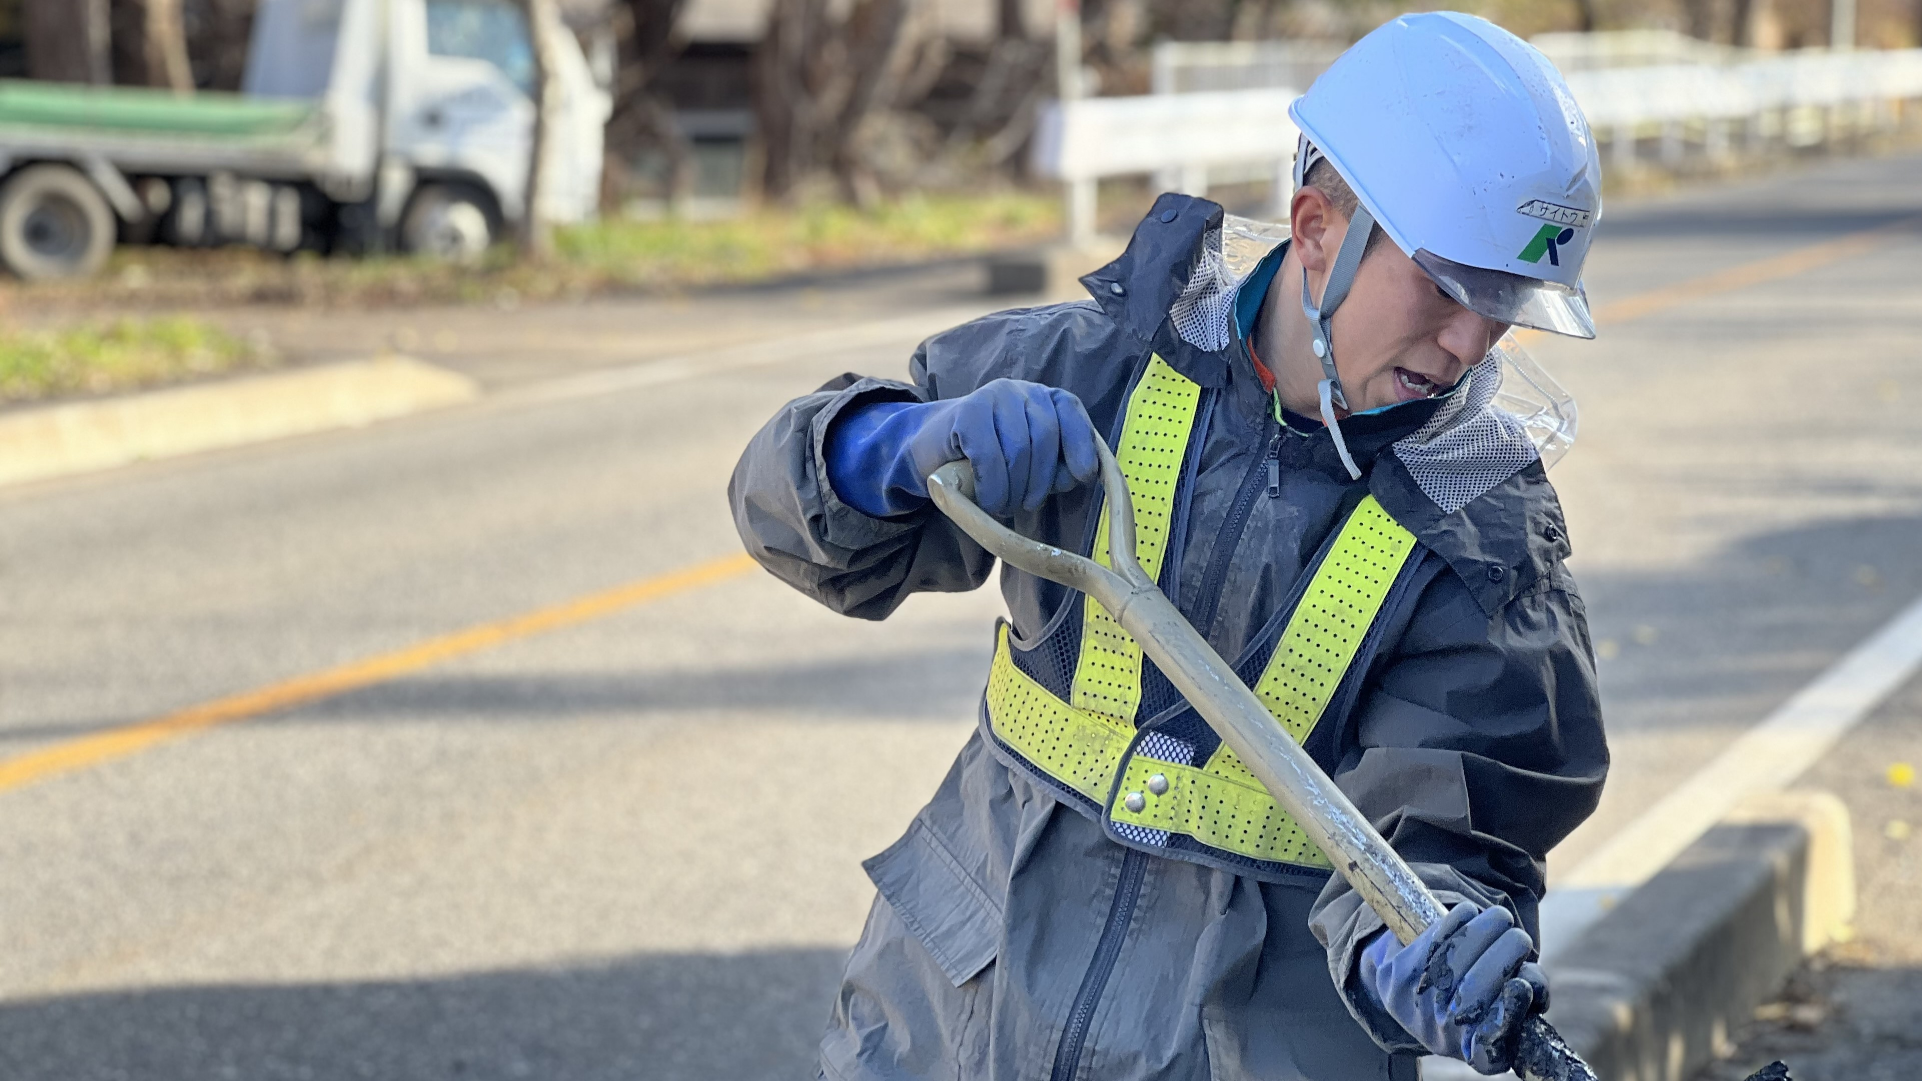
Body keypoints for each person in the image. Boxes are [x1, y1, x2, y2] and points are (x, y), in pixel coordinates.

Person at [729, 12, 1610, 1080]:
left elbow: (1453, 832)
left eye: (1504, 301)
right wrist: (890, 444)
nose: (1471, 341)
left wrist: (1414, 945)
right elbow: (785, 497)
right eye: (1444, 285)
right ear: (1317, 228)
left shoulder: (1485, 544)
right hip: (951, 1025)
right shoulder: (1097, 367)